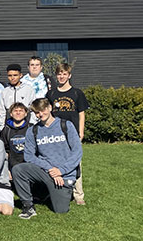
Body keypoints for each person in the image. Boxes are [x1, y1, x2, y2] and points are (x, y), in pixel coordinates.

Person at [13, 98, 83, 218]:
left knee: (61, 210)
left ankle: (50, 193)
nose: (40, 114)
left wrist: (61, 171)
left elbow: (77, 152)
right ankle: (28, 206)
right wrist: (50, 169)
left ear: (50, 108)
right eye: (37, 112)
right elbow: (28, 156)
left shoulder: (66, 125)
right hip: (46, 171)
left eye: (43, 110)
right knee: (18, 169)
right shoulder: (33, 130)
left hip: (64, 175)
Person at [46, 63, 89, 206]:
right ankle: (60, 190)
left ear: (69, 75)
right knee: (55, 161)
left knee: (75, 163)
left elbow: (81, 113)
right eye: (59, 74)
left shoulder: (77, 93)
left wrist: (81, 132)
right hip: (55, 134)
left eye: (64, 74)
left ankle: (78, 194)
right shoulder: (51, 94)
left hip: (72, 134)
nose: (61, 76)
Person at [0, 102, 31, 171]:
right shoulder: (6, 130)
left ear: (26, 114)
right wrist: (7, 169)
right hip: (13, 166)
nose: (18, 113)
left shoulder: (31, 128)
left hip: (29, 165)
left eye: (21, 111)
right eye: (15, 111)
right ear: (11, 114)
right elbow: (4, 150)